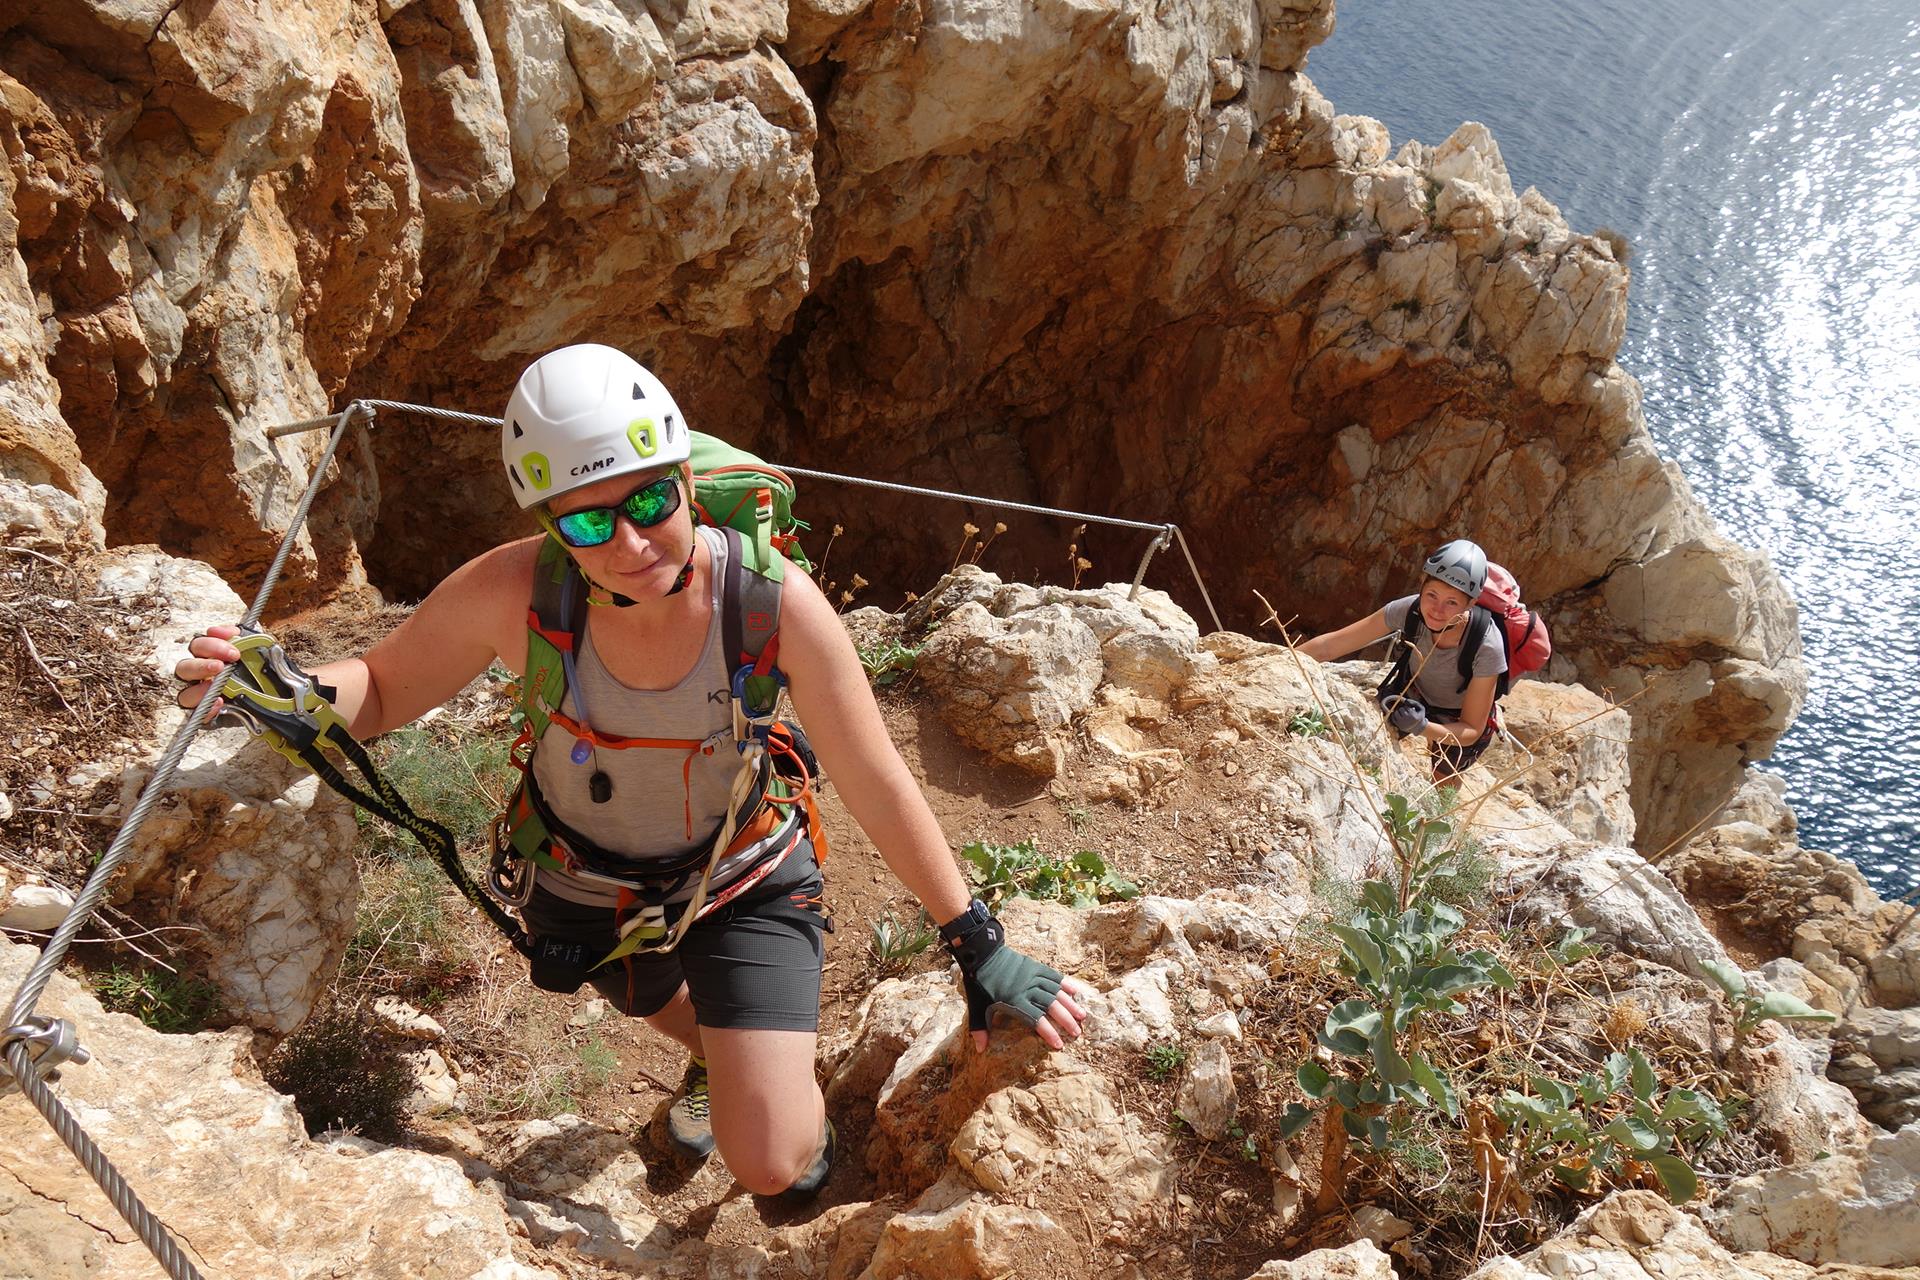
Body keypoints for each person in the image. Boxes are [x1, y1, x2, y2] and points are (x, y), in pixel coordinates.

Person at [173, 344, 1090, 1199]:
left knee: (771, 1162)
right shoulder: (514, 592)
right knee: (652, 995)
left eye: (650, 502)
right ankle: (717, 1057)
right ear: (550, 526)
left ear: (685, 480)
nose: (631, 542)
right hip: (583, 888)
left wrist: (976, 941)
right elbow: (379, 688)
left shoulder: (770, 603)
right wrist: (293, 689)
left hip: (742, 876)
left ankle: (781, 1106)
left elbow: (873, 774)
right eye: (587, 520)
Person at [1297, 539, 1507, 783]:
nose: (1437, 610)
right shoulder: (1410, 610)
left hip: (1457, 715)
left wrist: (1423, 728)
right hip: (1414, 693)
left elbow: (1471, 729)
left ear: (1471, 603)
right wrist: (1279, 658)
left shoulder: (1487, 646)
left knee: (1442, 782)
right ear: (1422, 585)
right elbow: (1329, 646)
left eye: (1452, 602)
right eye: (1432, 595)